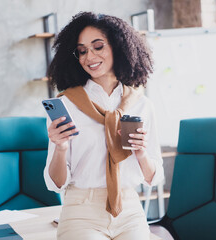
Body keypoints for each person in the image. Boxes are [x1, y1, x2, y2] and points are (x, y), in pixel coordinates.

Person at [43, 11, 164, 240]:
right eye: (82, 50)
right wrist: (59, 148)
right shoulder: (66, 104)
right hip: (81, 210)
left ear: (118, 47)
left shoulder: (141, 105)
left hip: (129, 209)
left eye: (98, 46)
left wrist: (140, 154)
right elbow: (56, 183)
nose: (90, 56)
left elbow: (153, 178)